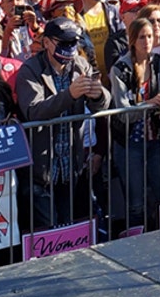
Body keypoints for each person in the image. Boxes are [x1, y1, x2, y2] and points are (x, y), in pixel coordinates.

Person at [14, 17, 111, 231]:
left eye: (73, 42)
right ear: (47, 42)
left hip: (69, 167)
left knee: (68, 228)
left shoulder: (80, 64)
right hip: (40, 170)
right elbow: (33, 111)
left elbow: (102, 104)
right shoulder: (30, 70)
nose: (69, 48)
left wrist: (97, 96)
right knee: (47, 231)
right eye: (63, 42)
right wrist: (69, 94)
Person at [108, 18, 160, 230]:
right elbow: (123, 112)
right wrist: (150, 104)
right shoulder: (120, 68)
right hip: (129, 143)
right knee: (135, 204)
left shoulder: (157, 62)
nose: (147, 41)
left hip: (154, 138)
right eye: (141, 37)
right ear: (132, 40)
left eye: (149, 36)